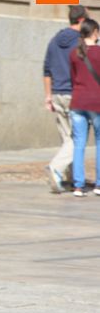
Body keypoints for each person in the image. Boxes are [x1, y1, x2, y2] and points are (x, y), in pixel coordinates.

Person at [43, 5, 88, 193]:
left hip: (56, 93)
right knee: (77, 139)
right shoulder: (80, 42)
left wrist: (48, 96)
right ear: (81, 21)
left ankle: (70, 175)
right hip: (73, 93)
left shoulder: (54, 41)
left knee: (66, 137)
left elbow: (46, 70)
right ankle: (56, 168)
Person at [68, 18, 100, 198]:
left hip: (78, 101)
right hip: (97, 102)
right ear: (95, 32)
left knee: (79, 144)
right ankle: (99, 184)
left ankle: (78, 185)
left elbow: (73, 78)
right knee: (99, 142)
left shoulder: (74, 53)